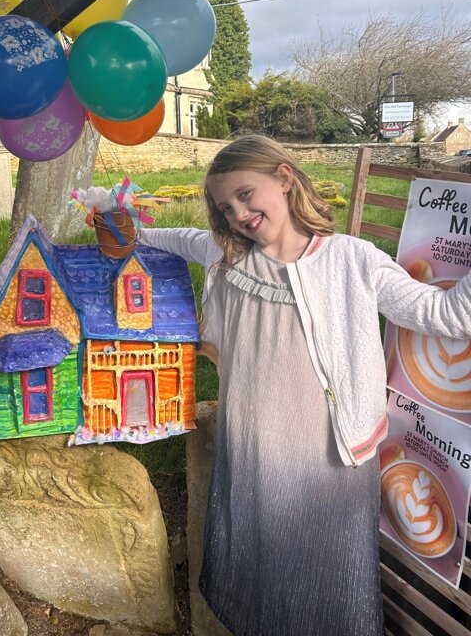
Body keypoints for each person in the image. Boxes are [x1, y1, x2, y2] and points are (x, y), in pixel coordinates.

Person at [139, 134, 471, 636]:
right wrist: (134, 231)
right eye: (225, 207)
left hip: (328, 456)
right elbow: (180, 238)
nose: (238, 214)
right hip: (253, 445)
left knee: (328, 574)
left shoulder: (352, 261)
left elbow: (445, 313)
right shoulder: (228, 253)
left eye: (246, 194)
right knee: (261, 563)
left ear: (285, 178)